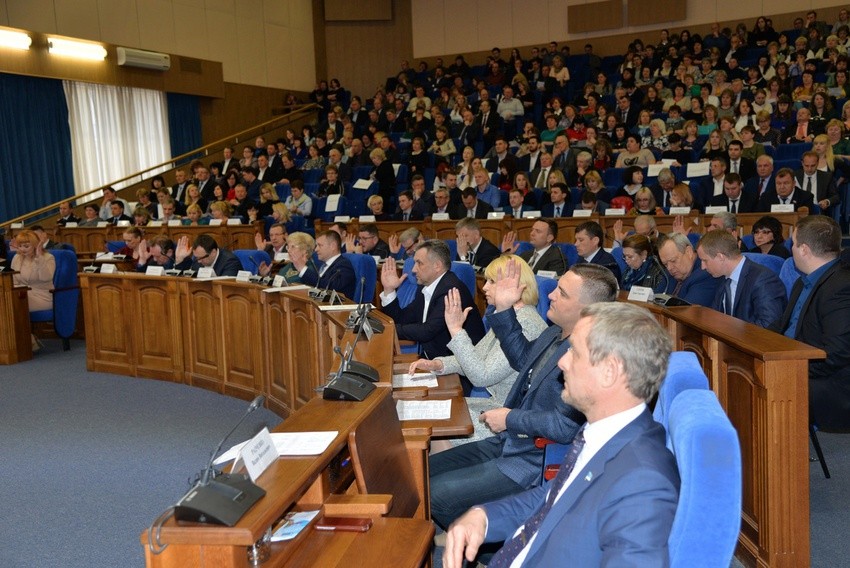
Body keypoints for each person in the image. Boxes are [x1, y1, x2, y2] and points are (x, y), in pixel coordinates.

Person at [443, 302, 678, 568]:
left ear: (609, 371)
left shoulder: (643, 481)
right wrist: (484, 517)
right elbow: (551, 498)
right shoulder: (603, 431)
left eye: (574, 353)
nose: (561, 361)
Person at [430, 262, 618, 532]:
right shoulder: (555, 332)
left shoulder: (588, 355)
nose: (551, 295)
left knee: (437, 493)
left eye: (562, 294)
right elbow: (521, 358)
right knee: (428, 470)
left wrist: (510, 418)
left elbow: (564, 426)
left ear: (587, 310)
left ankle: (497, 552)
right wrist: (505, 309)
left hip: (531, 457)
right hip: (508, 441)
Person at [408, 255, 548, 446]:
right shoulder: (510, 316)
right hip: (495, 407)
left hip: (507, 421)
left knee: (431, 427)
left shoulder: (525, 323)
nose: (484, 288)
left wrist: (456, 330)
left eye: (492, 281)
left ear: (516, 286)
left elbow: (481, 375)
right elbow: (477, 357)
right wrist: (439, 364)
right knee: (423, 411)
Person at [769, 215, 850, 430]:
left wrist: (789, 367)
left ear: (804, 249)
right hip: (795, 363)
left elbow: (836, 354)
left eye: (793, 244)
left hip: (829, 384)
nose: (791, 250)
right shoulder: (802, 281)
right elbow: (782, 327)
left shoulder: (841, 287)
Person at [379, 239, 485, 359]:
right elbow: (402, 319)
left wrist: (387, 328)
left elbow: (427, 331)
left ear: (437, 266)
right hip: (433, 360)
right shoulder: (425, 287)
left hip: (458, 367)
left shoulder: (451, 289)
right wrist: (389, 290)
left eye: (419, 263)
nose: (413, 269)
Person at [696, 230, 787, 327]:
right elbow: (715, 316)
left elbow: (769, 325)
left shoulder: (764, 280)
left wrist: (731, 333)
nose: (703, 267)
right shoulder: (723, 278)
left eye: (704, 260)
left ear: (720, 257)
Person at [10, 230, 56, 351]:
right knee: (7, 302)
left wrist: (39, 257)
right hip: (22, 293)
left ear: (35, 245)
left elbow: (47, 278)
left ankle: (25, 342)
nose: (22, 249)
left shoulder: (47, 257)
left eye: (26, 246)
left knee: (12, 305)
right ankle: (24, 340)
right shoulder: (17, 258)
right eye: (20, 246)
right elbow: (14, 281)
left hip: (42, 296)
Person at [658, 232, 722, 306]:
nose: (669, 268)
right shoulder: (669, 274)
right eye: (665, 264)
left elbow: (688, 311)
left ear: (689, 252)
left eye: (673, 261)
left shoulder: (705, 274)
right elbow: (653, 299)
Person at [295, 230, 356, 300]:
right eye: (316, 246)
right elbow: (315, 285)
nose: (316, 249)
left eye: (320, 245)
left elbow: (331, 287)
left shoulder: (343, 265)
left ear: (333, 246)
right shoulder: (323, 265)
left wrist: (303, 269)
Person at [503, 219, 567, 276]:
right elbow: (506, 274)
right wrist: (507, 255)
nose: (532, 233)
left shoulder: (557, 258)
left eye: (538, 231)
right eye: (532, 230)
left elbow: (551, 284)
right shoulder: (525, 255)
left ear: (549, 238)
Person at [173, 234, 242, 277]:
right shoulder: (197, 259)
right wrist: (179, 260)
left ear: (213, 252)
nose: (199, 261)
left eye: (201, 258)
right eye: (197, 257)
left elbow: (226, 287)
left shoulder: (230, 262)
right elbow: (184, 279)